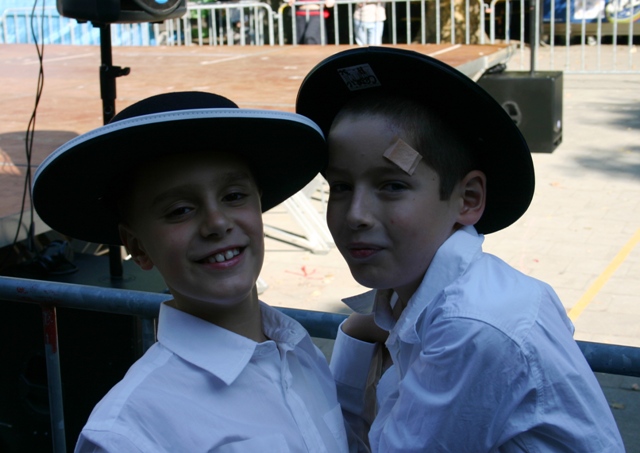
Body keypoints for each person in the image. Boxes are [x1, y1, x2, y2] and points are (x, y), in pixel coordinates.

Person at [296, 47, 625, 451]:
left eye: (392, 185)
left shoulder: (470, 327)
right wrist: (356, 332)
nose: (356, 215)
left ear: (467, 199)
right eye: (341, 187)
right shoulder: (429, 301)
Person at [32, 91, 352, 452]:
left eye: (234, 196)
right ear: (137, 246)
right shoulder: (129, 434)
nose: (216, 223)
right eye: (180, 210)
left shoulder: (298, 350)